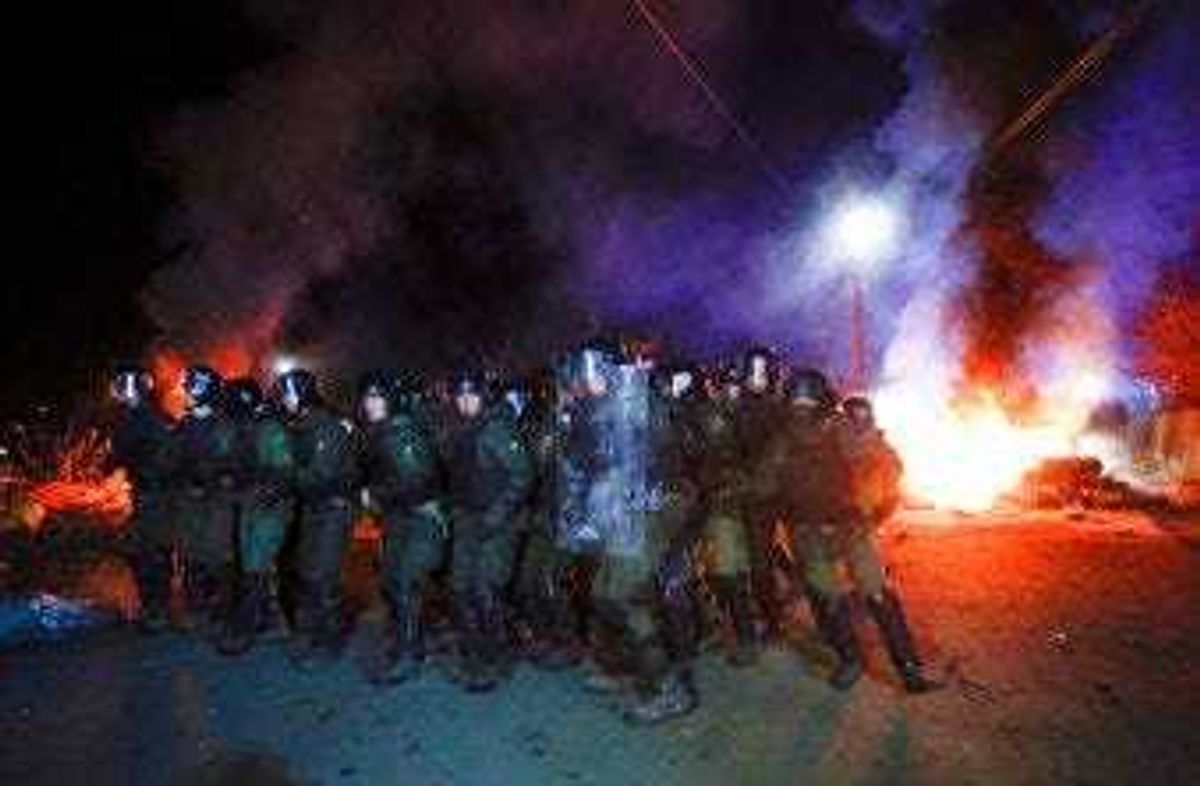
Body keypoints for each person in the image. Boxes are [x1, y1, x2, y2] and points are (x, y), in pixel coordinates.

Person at [778, 373, 937, 693]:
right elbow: (766, 480)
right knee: (827, 596)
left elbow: (882, 461)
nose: (801, 407)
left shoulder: (842, 428)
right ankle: (849, 659)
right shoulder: (782, 439)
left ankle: (908, 668)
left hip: (850, 526)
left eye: (808, 400)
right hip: (808, 531)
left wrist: (876, 509)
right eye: (796, 400)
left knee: (877, 591)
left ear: (821, 401)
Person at [442, 367, 534, 692]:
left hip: (497, 522)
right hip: (467, 519)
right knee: (460, 587)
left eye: (471, 394)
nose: (465, 401)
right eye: (460, 395)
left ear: (483, 395)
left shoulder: (497, 429)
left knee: (485, 590)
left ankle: (495, 657)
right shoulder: (459, 427)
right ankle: (475, 648)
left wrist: (496, 516)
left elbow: (522, 475)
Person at [357, 371, 447, 684]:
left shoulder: (402, 433)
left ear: (391, 400)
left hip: (422, 517)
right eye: (367, 397)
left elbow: (417, 482)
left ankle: (412, 652)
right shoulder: (380, 431)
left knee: (406, 581)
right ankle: (407, 639)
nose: (370, 403)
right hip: (398, 518)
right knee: (391, 581)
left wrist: (376, 494)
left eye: (377, 397)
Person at [278, 368, 362, 665]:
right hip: (315, 507)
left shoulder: (327, 427)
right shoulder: (302, 425)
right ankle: (312, 629)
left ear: (303, 394)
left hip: (334, 508)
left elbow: (321, 474)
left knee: (323, 573)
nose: (285, 400)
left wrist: (284, 477)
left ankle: (331, 636)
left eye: (289, 394)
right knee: (307, 569)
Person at [218, 377, 294, 656]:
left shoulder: (269, 429)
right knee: (253, 564)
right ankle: (271, 619)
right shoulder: (241, 427)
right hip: (250, 503)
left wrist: (266, 491)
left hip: (269, 506)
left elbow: (284, 471)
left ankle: (247, 626)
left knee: (255, 565)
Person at [695, 362, 758, 666]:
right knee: (711, 572)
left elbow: (754, 462)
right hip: (705, 503)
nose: (730, 392)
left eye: (735, 386)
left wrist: (733, 485)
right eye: (725, 385)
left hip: (727, 505)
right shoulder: (707, 414)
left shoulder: (745, 416)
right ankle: (718, 628)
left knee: (730, 572)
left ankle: (747, 639)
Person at [109, 364, 178, 633]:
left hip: (155, 495)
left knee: (149, 552)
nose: (119, 391)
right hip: (150, 494)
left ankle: (157, 610)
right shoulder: (145, 416)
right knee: (147, 551)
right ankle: (156, 607)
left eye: (123, 384)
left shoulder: (144, 418)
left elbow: (124, 454)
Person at [174, 364, 238, 640]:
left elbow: (233, 462)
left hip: (218, 501)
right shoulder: (185, 424)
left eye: (190, 388)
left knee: (217, 556)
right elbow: (175, 459)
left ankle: (223, 612)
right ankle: (196, 609)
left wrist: (211, 478)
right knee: (191, 555)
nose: (186, 393)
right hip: (190, 502)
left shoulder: (225, 424)